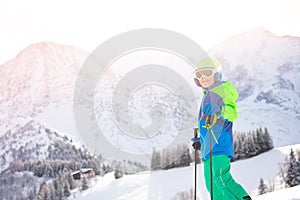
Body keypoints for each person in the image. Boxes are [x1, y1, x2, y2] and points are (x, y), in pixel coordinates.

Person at [191, 57, 251, 200]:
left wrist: (220, 110)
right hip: (208, 149)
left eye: (206, 73)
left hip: (219, 145)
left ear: (217, 73)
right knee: (211, 185)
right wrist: (201, 141)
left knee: (221, 178)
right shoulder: (207, 95)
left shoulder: (222, 91)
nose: (203, 78)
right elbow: (208, 124)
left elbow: (233, 113)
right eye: (199, 75)